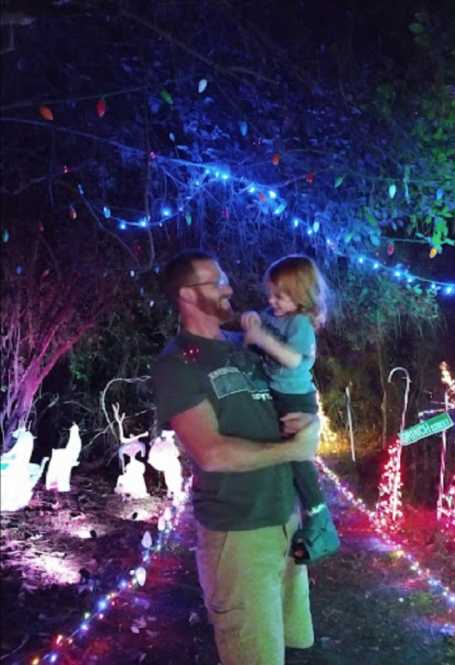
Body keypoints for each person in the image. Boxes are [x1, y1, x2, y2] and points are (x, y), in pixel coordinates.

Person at [152, 249, 321, 665]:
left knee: (291, 643)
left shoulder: (242, 345)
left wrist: (306, 420)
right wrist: (292, 450)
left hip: (285, 518)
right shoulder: (177, 365)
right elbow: (210, 453)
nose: (229, 287)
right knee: (254, 653)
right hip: (239, 535)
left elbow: (289, 383)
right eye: (216, 281)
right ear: (188, 295)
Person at [241, 254, 340, 564]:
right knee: (284, 456)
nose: (271, 301)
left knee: (297, 458)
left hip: (296, 399)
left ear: (300, 297)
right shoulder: (276, 315)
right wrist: (249, 319)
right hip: (277, 394)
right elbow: (251, 320)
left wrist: (259, 338)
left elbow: (292, 359)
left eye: (279, 296)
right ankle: (302, 514)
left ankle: (320, 518)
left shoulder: (300, 325)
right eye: (270, 294)